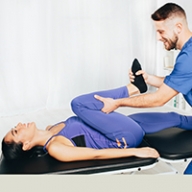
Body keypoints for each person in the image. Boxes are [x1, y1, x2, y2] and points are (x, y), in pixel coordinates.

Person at [2, 80, 192, 163]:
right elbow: (94, 155)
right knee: (78, 105)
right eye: (16, 131)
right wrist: (136, 152)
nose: (19, 125)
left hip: (124, 126)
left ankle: (136, 87)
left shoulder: (51, 128)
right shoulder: (55, 147)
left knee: (174, 118)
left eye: (14, 127)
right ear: (26, 145)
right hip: (122, 138)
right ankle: (135, 87)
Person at [94, 3, 192, 113]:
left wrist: (117, 102)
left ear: (178, 27)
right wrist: (148, 79)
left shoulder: (188, 57)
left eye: (161, 32)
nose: (158, 38)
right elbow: (177, 81)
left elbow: (159, 99)